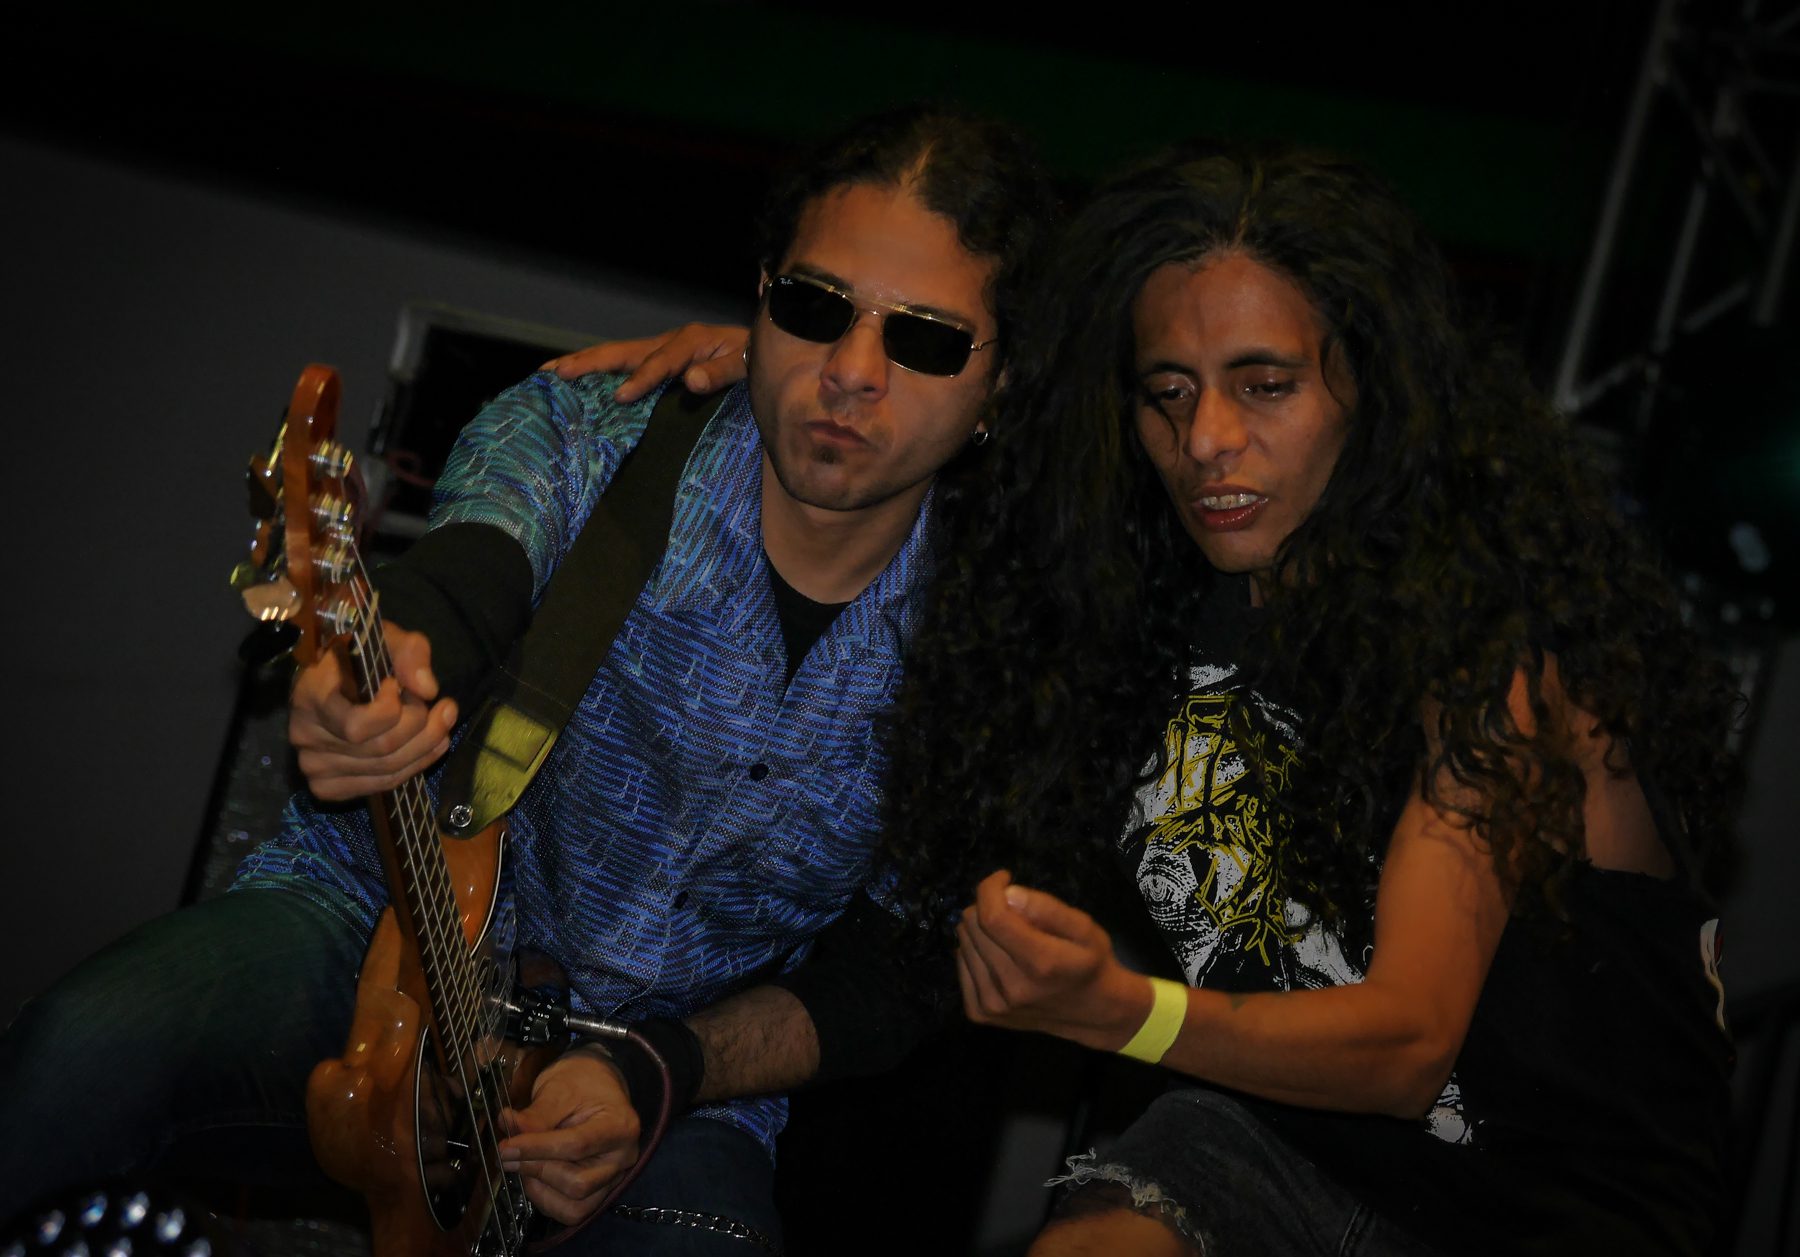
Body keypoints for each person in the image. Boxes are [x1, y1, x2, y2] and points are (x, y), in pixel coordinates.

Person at [584, 137, 1744, 1255]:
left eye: (1264, 385)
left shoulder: (1492, 638)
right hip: (1273, 1146)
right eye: (1168, 393)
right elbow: (937, 441)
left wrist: (1118, 1010)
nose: (1206, 439)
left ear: (1372, 387)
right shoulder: (1134, 602)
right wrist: (784, 376)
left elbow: (1406, 1049)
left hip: (1548, 1214)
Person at [0, 102, 1055, 1254]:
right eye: (813, 307)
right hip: (380, 928)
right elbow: (467, 573)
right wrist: (380, 677)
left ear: (1001, 382)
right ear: (759, 299)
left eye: (925, 341)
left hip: (670, 1079)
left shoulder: (1000, 646)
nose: (850, 373)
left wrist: (658, 1070)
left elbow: (897, 973)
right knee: (84, 1051)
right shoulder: (588, 435)